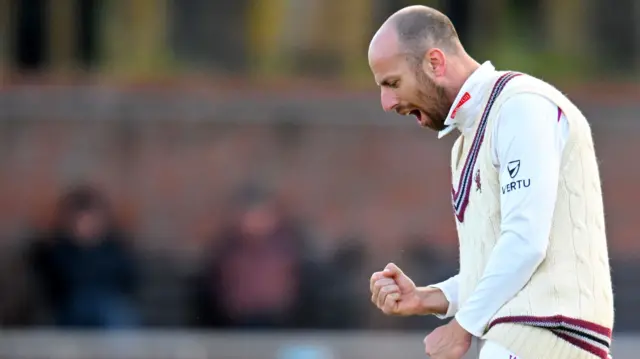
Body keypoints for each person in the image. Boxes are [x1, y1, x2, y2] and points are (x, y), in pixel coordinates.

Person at [367, 5, 613, 359]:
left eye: (392, 83)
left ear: (435, 63)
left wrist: (461, 328)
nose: (387, 103)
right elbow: (499, 266)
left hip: (548, 342)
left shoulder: (522, 106)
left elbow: (525, 243)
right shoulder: (469, 136)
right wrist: (427, 298)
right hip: (522, 340)